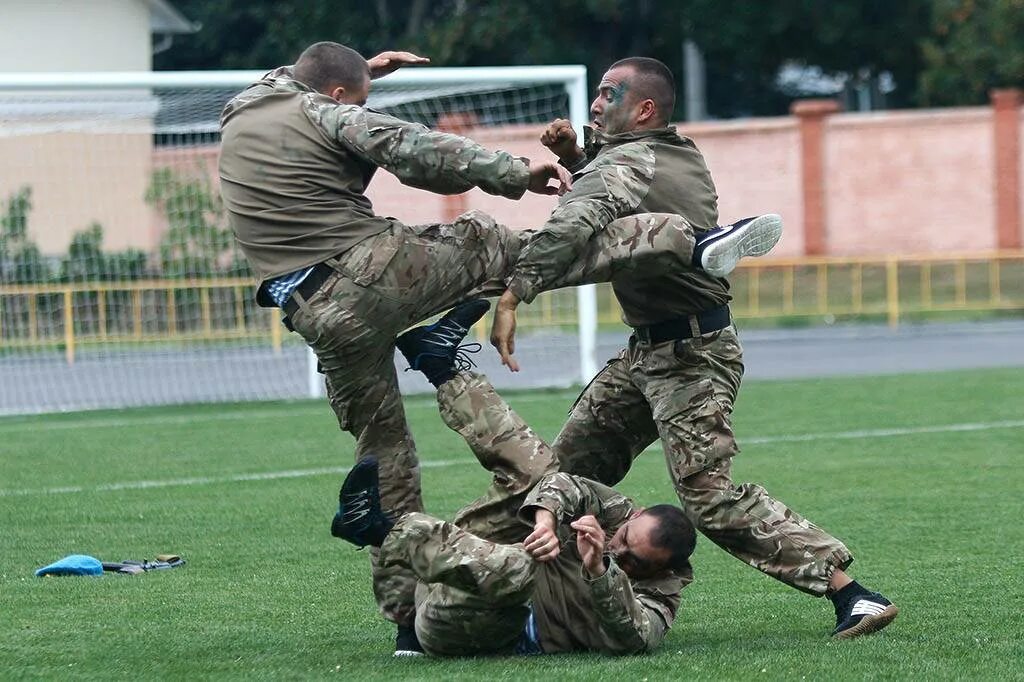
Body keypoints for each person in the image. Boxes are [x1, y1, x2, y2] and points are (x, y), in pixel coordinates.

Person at [219, 42, 782, 653]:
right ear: (333, 97)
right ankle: (687, 241)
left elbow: (296, 77)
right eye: (356, 96)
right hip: (363, 273)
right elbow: (414, 149)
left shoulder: (246, 105)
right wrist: (517, 173)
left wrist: (364, 73)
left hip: (312, 312)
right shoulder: (331, 113)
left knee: (381, 451)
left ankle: (406, 622)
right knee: (497, 244)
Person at [489, 57, 897, 639]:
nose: (596, 104)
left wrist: (515, 290)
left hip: (691, 356)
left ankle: (852, 595)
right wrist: (578, 159)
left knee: (707, 498)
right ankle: (519, 603)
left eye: (610, 94)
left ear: (645, 109)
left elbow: (581, 217)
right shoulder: (672, 153)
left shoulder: (633, 159)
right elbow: (615, 189)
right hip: (647, 354)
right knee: (562, 477)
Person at [331, 316, 698, 656]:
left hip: (469, 624)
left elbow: (633, 638)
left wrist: (602, 571)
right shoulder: (616, 512)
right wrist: (546, 521)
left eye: (636, 561)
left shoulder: (661, 595)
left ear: (662, 571)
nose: (619, 551)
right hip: (458, 567)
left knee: (522, 571)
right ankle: (439, 366)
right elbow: (562, 484)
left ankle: (377, 529)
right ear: (635, 515)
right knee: (539, 472)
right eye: (624, 539)